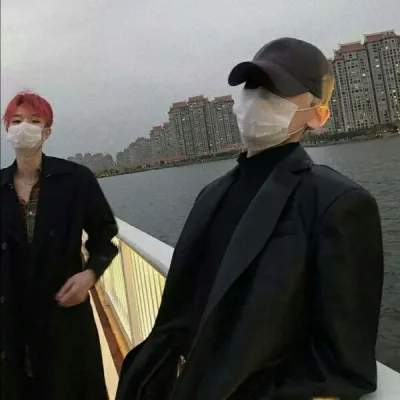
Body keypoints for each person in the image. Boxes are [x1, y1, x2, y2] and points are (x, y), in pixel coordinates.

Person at [116, 38, 384, 400]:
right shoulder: (212, 193)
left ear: (318, 116)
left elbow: (344, 365)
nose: (258, 99)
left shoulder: (337, 204)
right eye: (253, 86)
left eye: (278, 91)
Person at [0, 91, 118, 399]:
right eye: (16, 121)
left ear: (47, 131)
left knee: (69, 386)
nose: (23, 128)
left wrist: (89, 275)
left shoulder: (75, 180)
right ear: (6, 128)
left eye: (34, 121)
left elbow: (104, 235)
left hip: (62, 314)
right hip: (11, 320)